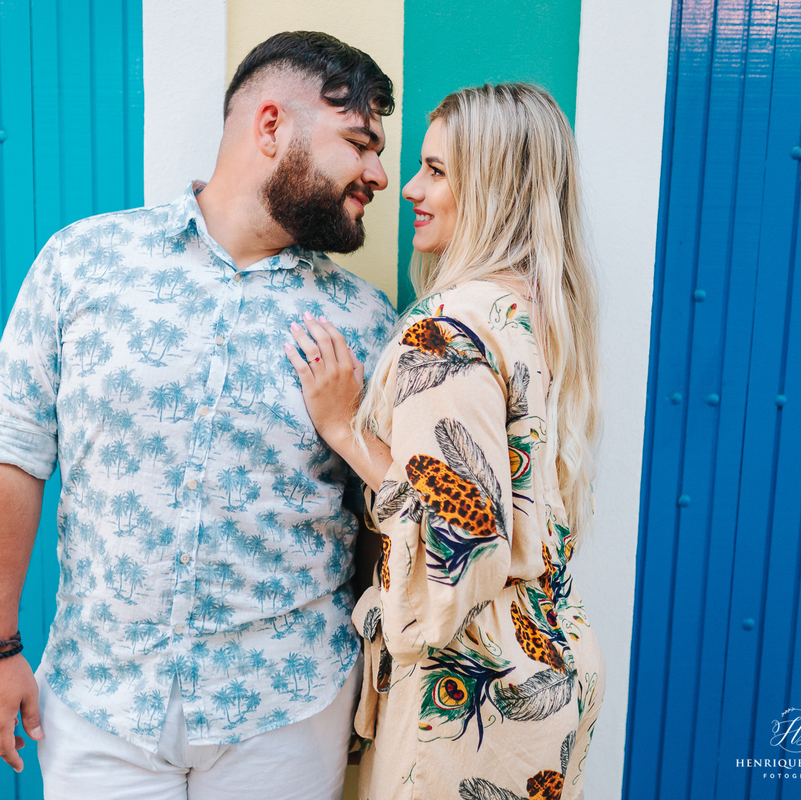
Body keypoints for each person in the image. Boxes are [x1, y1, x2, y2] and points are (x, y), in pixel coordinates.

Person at [0, 31, 398, 800]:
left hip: (289, 711)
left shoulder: (365, 318)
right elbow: (11, 454)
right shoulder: (83, 263)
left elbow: (377, 516)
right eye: (360, 144)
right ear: (271, 126)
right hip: (100, 707)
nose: (379, 175)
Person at [285, 83, 605, 800]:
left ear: (493, 187)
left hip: (470, 692)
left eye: (436, 170)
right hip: (551, 663)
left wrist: (342, 426)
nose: (409, 188)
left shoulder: (447, 332)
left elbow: (458, 538)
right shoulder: (537, 312)